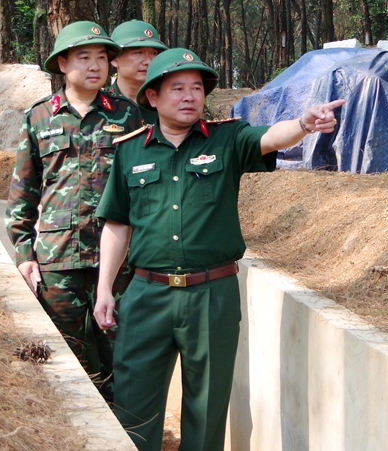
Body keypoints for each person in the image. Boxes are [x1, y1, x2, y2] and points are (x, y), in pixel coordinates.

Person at [93, 47, 344, 451]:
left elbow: (268, 137)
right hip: (145, 295)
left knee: (206, 408)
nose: (190, 96)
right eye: (177, 88)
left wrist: (303, 123)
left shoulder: (228, 138)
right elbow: (117, 222)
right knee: (134, 408)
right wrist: (105, 287)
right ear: (153, 97)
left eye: (197, 87)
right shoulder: (130, 150)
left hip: (211, 296)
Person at [5, 21, 144, 402]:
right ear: (63, 63)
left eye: (102, 58)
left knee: (122, 358)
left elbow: (143, 190)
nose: (95, 66)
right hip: (57, 262)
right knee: (68, 361)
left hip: (115, 263)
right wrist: (23, 254)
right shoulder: (38, 118)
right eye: (84, 57)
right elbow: (23, 192)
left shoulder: (127, 116)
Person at [108, 20, 167, 125]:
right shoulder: (99, 106)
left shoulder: (168, 106)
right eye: (138, 53)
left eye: (154, 53)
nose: (148, 61)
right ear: (115, 59)